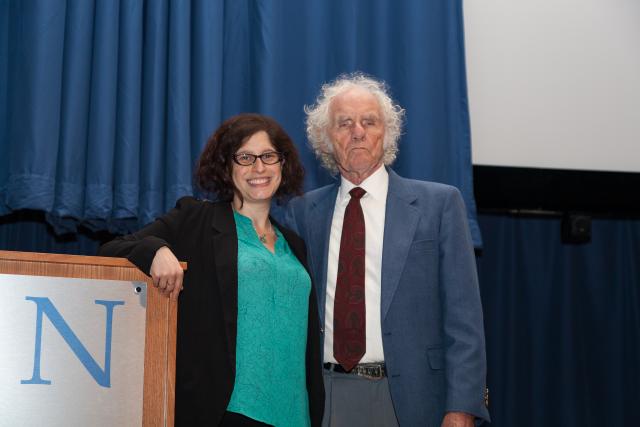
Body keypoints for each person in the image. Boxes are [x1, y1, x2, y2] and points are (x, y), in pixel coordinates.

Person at [284, 74, 490, 427]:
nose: (357, 132)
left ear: (386, 133)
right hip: (326, 398)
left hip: (414, 401)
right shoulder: (303, 212)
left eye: (369, 121)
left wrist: (462, 407)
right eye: (344, 123)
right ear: (326, 139)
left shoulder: (439, 205)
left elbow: (464, 319)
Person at [99, 114, 324, 427]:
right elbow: (113, 248)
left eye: (268, 156)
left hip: (296, 415)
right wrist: (156, 250)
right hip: (227, 412)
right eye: (245, 157)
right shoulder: (197, 220)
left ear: (282, 165)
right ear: (226, 166)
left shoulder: (295, 243)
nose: (259, 168)